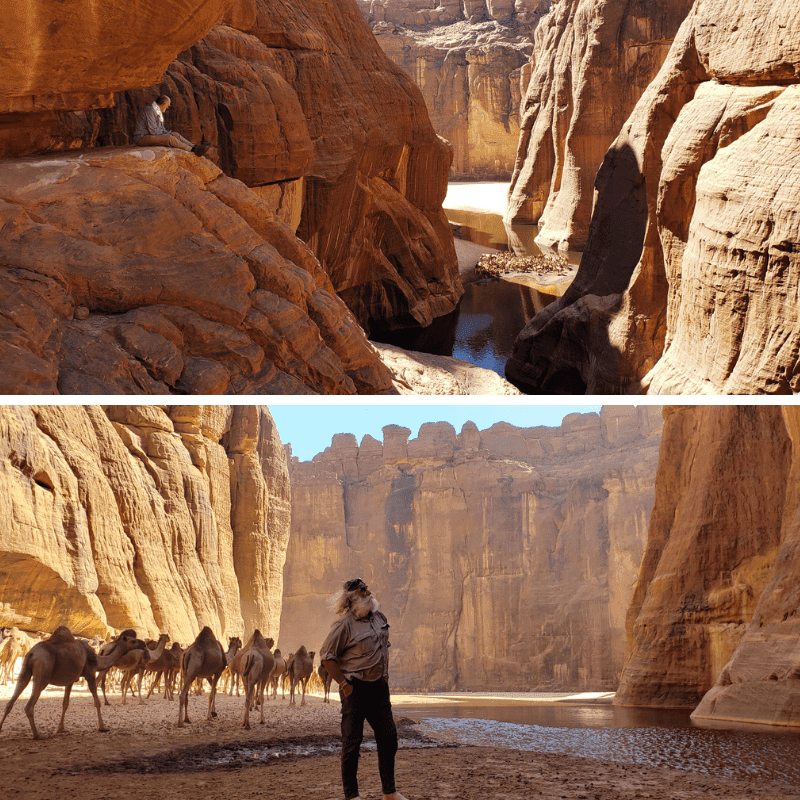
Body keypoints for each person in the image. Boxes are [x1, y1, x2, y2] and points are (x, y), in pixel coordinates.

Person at [321, 578, 409, 800]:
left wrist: (385, 677)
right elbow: (327, 658)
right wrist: (344, 685)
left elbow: (384, 649)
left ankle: (389, 793)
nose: (368, 592)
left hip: (379, 689)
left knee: (389, 738)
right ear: (352, 598)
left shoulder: (379, 618)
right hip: (355, 690)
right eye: (363, 591)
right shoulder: (343, 625)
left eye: (367, 589)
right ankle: (352, 796)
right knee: (352, 744)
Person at [133, 95, 208, 156]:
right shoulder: (149, 111)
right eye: (167, 105)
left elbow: (160, 128)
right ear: (163, 104)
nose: (168, 107)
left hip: (150, 135)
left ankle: (194, 146)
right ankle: (192, 150)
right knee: (169, 138)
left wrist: (167, 133)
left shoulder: (157, 111)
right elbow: (153, 130)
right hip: (142, 138)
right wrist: (166, 135)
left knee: (175, 134)